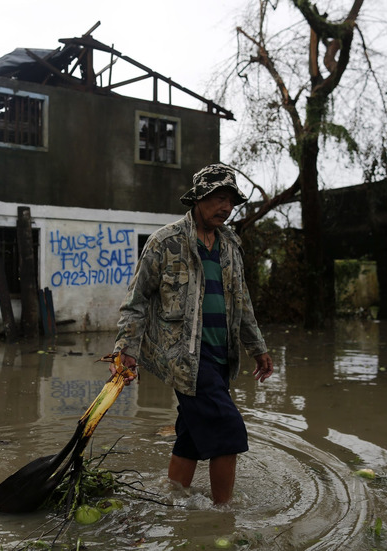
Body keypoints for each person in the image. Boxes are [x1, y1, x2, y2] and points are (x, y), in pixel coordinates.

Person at [111, 162, 274, 505]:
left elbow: (242, 302)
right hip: (185, 359)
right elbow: (136, 300)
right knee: (229, 432)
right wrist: (126, 348)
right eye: (218, 197)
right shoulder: (165, 242)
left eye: (230, 200)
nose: (226, 207)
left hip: (219, 358)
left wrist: (257, 348)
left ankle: (171, 501)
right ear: (198, 198)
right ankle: (221, 515)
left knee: (191, 437)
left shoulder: (230, 245)